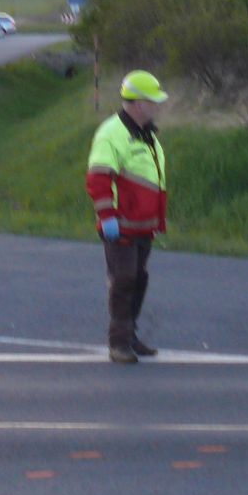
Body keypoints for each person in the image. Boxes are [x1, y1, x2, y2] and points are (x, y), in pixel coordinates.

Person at [85, 70, 169, 364]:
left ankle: (130, 336)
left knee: (139, 279)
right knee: (124, 280)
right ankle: (118, 343)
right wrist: (107, 216)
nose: (157, 106)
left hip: (142, 225)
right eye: (153, 101)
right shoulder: (112, 133)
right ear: (138, 103)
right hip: (120, 225)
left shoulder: (146, 134)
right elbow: (98, 178)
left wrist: (156, 219)